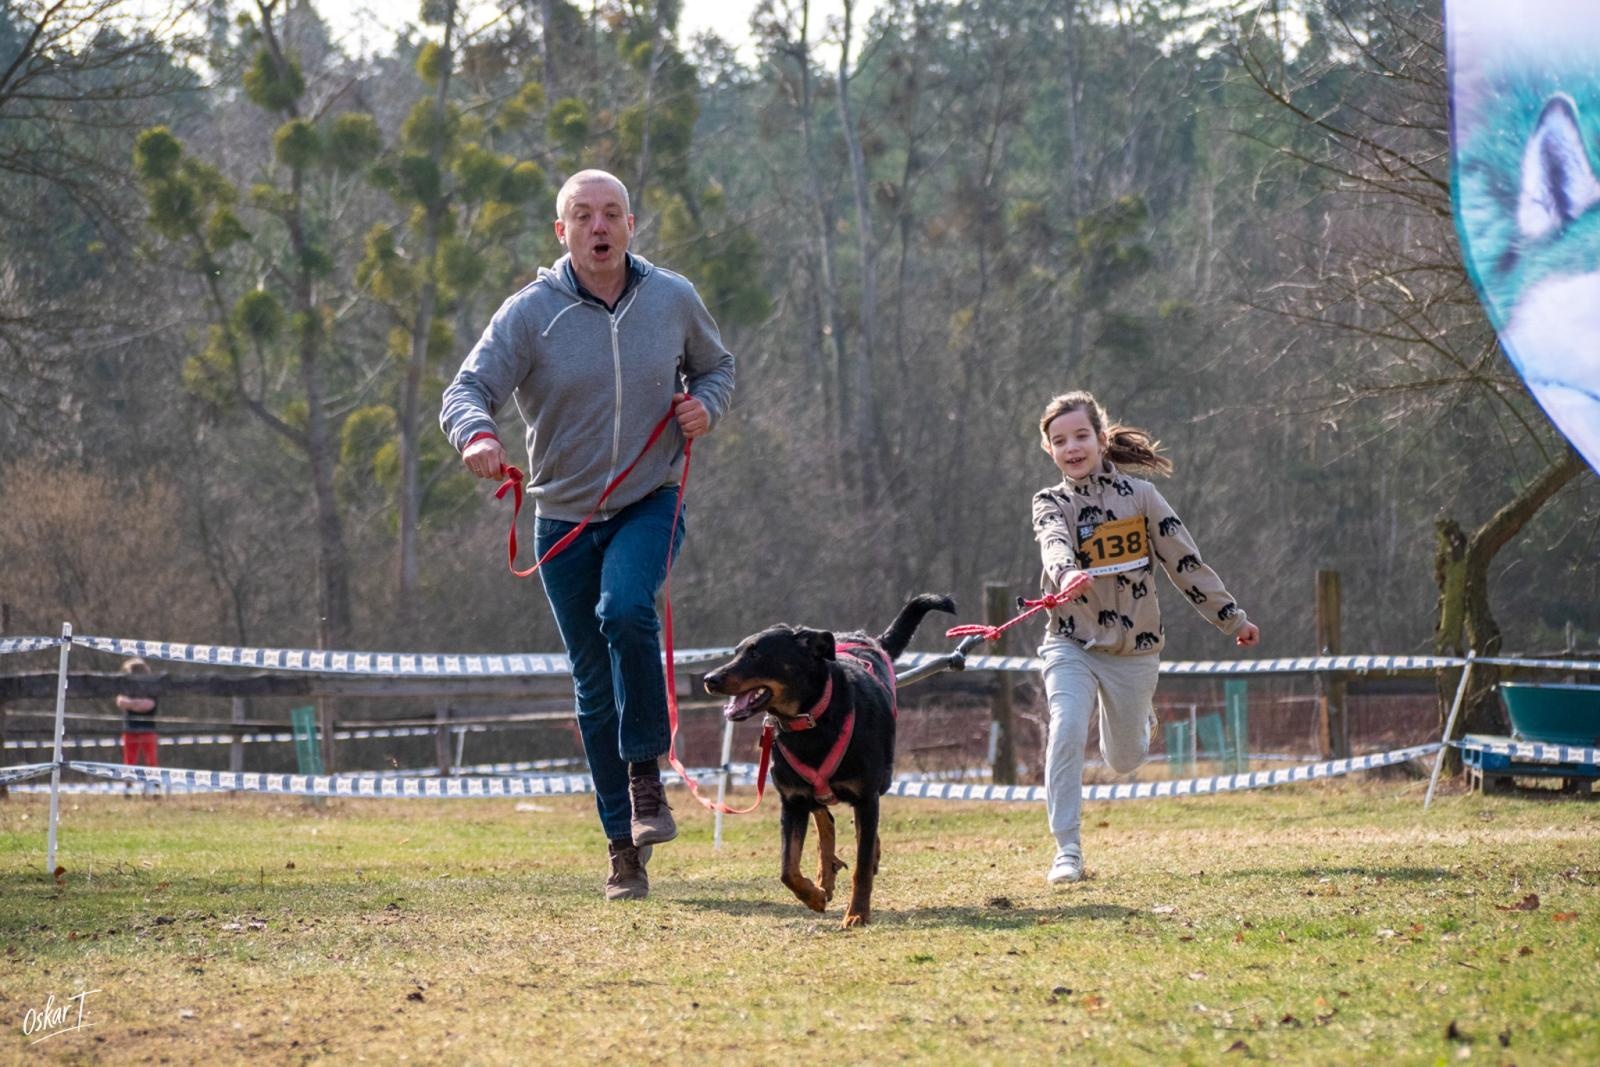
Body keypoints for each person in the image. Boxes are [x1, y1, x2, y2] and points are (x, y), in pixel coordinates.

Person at [440, 169, 735, 901]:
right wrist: (476, 435)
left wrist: (705, 405)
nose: (598, 226)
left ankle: (645, 771)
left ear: (631, 224)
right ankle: (622, 850)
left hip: (649, 500)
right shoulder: (530, 313)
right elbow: (465, 389)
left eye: (611, 213)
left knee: (626, 609)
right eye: (582, 214)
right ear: (561, 231)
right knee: (592, 688)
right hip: (563, 522)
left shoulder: (672, 297)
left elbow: (718, 367)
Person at [1031, 391, 1260, 885]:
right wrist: (1065, 571)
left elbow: (1185, 563)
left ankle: (1140, 719)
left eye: (1080, 436)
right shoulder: (1051, 502)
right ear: (1049, 450)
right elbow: (1052, 540)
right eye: (1059, 441)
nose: (1071, 447)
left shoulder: (1141, 497)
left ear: (1099, 437)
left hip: (1134, 649)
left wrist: (1232, 618)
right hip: (1070, 641)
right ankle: (1067, 849)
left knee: (1125, 759)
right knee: (1066, 727)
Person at [116, 657, 159, 779]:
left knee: (151, 760)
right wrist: (137, 704)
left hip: (148, 729)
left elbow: (149, 705)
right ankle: (128, 787)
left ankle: (154, 786)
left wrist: (132, 704)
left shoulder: (152, 686)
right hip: (130, 728)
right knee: (129, 761)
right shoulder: (126, 685)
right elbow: (121, 701)